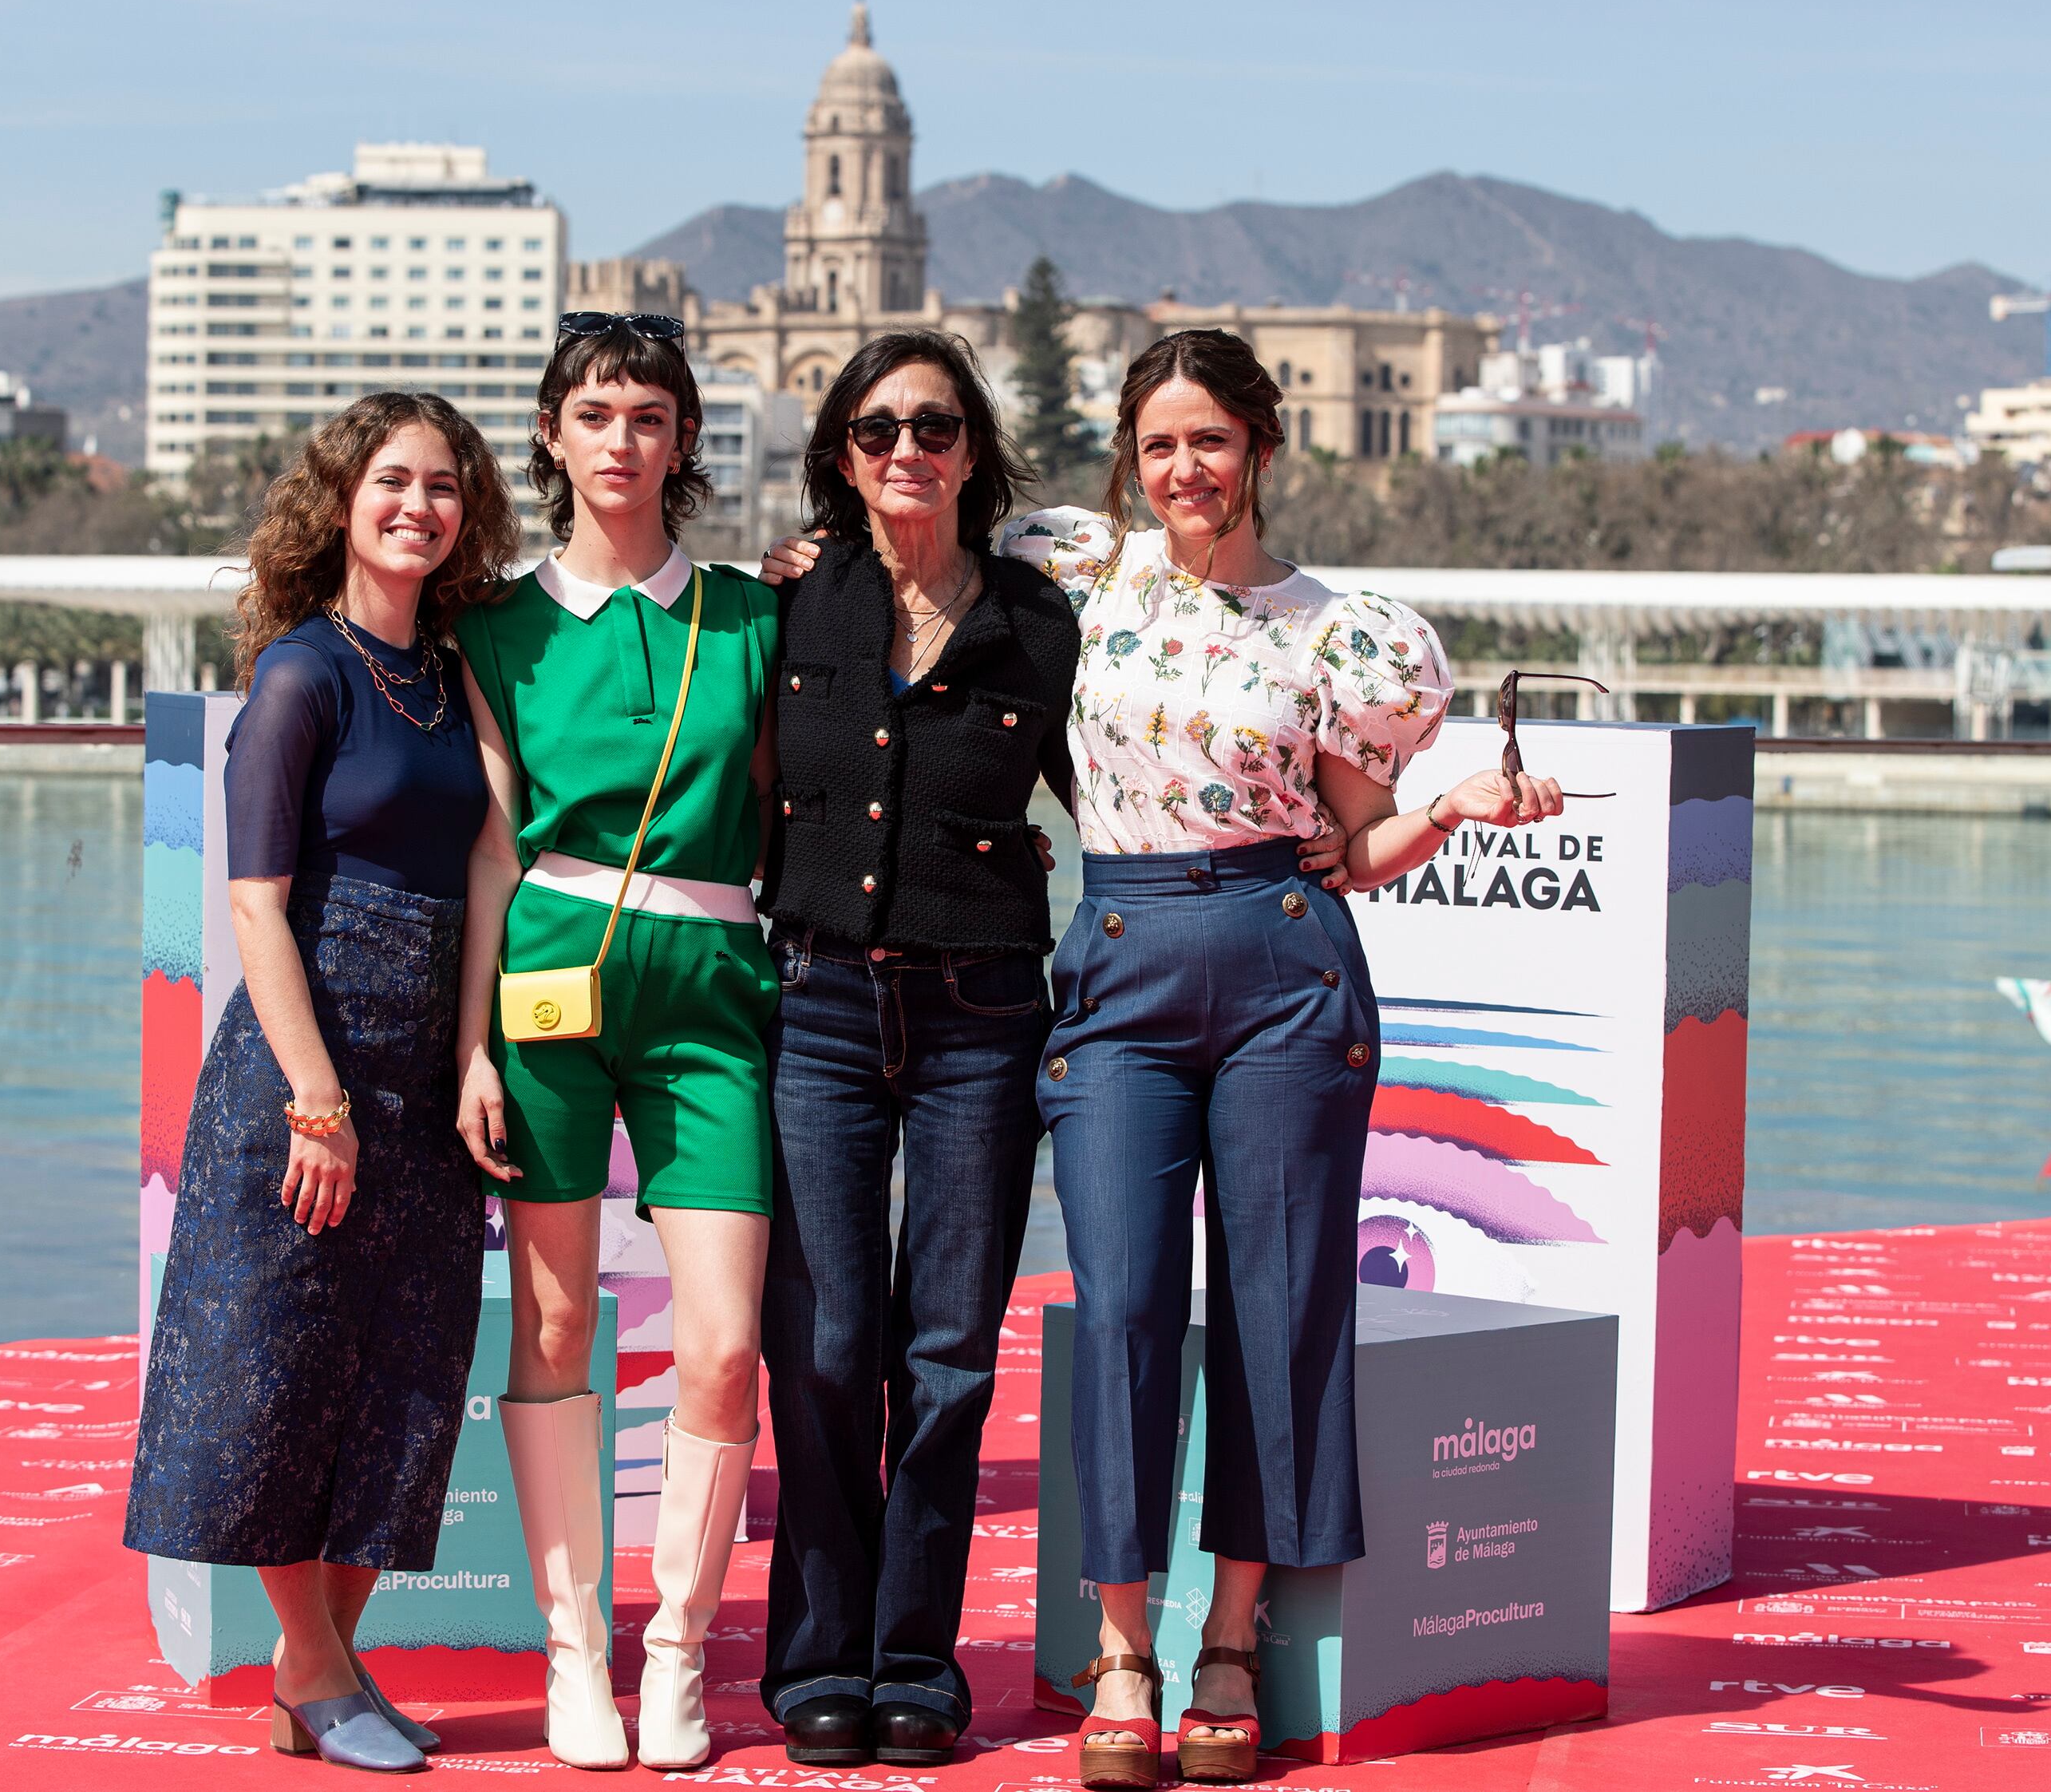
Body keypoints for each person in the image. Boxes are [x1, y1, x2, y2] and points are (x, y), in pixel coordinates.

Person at [749, 335, 1354, 1771]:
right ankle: (819, 1654)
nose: (910, 449)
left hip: (986, 1015)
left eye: (939, 425)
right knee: (829, 1344)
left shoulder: (1045, 616)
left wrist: (1313, 834)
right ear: (842, 450)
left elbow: (1129, 786)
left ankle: (918, 1661)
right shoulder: (777, 608)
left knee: (952, 1356)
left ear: (975, 452)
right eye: (881, 426)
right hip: (821, 1006)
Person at [1006, 330, 1564, 1790]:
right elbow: (916, 552)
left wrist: (1453, 810)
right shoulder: (1077, 571)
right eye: (1158, 444)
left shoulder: (1346, 634)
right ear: (1131, 459)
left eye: (1208, 440)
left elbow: (1350, 846)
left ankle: (1230, 1644)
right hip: (1121, 956)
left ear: (1260, 445)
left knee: (1277, 1303)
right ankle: (1121, 1647)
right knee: (1121, 1295)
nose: (1182, 469)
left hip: (1287, 969)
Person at [125, 392, 521, 1774]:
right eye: (394, 481)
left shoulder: (453, 670)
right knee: (287, 1368)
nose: (421, 505)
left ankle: (327, 1670)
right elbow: (253, 908)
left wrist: (472, 1049)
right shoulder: (304, 673)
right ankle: (307, 1659)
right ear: (342, 501)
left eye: (445, 485)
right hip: (311, 1057)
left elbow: (491, 868)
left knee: (409, 1370)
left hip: (428, 1056)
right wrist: (317, 1099)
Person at [452, 312, 780, 1773]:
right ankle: (574, 1649)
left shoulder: (755, 620)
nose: (622, 440)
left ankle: (678, 1651)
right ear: (552, 435)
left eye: (650, 415)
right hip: (545, 992)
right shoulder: (495, 630)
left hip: (713, 992)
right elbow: (485, 853)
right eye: (595, 412)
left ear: (683, 440)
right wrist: (469, 1045)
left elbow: (783, 807)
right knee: (560, 1327)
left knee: (720, 1346)